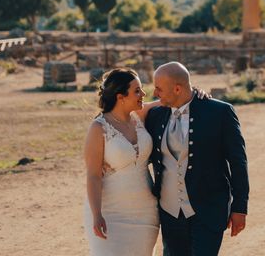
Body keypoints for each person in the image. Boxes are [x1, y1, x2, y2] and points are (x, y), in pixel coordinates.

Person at [83, 67, 209, 255]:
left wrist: (195, 91)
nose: (143, 94)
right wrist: (96, 215)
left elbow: (175, 97)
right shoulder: (98, 128)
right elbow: (93, 176)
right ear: (120, 97)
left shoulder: (140, 116)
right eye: (137, 91)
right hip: (111, 213)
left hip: (145, 213)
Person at [145, 61, 249, 256]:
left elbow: (238, 162)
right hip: (170, 213)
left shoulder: (219, 112)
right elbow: (121, 116)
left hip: (208, 210)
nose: (155, 93)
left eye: (159, 89)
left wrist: (239, 207)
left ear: (177, 88)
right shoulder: (155, 116)